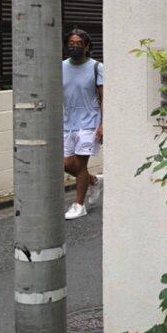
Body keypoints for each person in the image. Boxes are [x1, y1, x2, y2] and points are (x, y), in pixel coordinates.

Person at [62, 28, 104, 220]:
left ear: (87, 46)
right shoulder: (61, 67)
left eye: (79, 44)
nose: (75, 47)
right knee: (65, 164)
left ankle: (79, 205)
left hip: (89, 122)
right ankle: (93, 181)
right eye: (71, 44)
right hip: (67, 122)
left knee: (79, 164)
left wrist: (103, 124)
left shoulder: (96, 67)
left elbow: (104, 97)